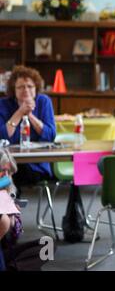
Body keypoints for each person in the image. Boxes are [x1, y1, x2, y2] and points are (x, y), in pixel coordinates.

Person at [0, 66, 56, 197]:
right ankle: (9, 210)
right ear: (13, 90)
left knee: (10, 173)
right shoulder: (3, 104)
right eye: (20, 87)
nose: (26, 90)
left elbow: (50, 135)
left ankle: (11, 211)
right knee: (7, 171)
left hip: (36, 165)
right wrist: (20, 112)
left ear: (36, 88)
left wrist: (30, 115)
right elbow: (3, 137)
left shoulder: (44, 102)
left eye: (30, 86)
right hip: (8, 162)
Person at [0, 148, 19, 271]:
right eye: (2, 171)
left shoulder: (9, 190)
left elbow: (13, 238)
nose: (6, 176)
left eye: (9, 172)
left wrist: (14, 217)